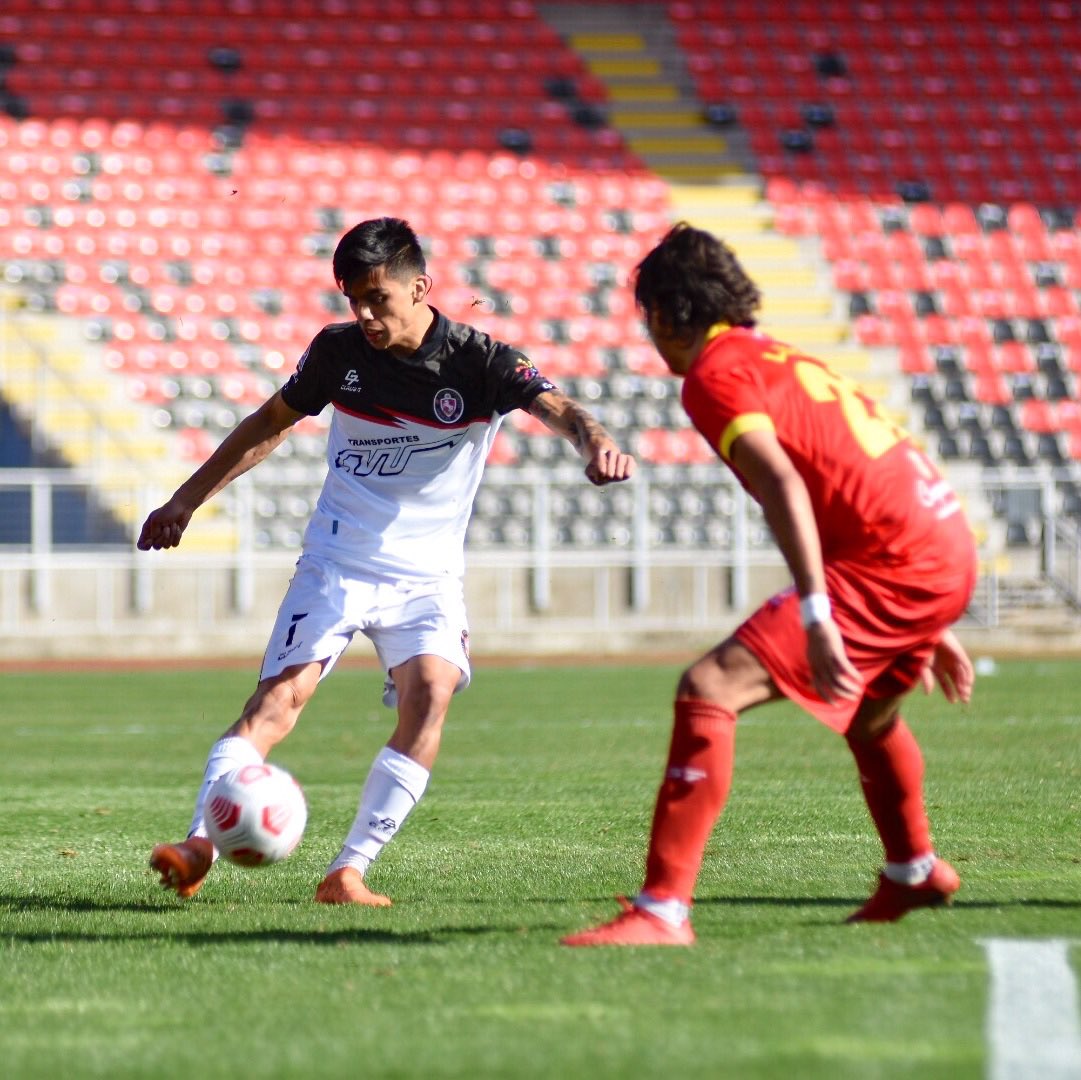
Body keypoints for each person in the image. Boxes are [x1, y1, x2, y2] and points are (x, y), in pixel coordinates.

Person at [140, 216, 635, 905]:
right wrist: (185, 500)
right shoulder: (337, 353)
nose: (366, 315)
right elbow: (268, 425)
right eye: (353, 300)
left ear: (421, 287)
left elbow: (559, 409)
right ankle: (199, 842)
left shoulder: (479, 360)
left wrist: (595, 443)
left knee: (428, 696)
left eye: (379, 298)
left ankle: (349, 869)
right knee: (279, 702)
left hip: (427, 579)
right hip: (337, 561)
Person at [562, 222, 977, 946]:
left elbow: (783, 480)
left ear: (663, 315)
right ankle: (914, 871)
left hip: (892, 558)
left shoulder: (714, 375)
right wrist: (931, 614)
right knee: (870, 718)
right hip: (937, 541)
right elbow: (849, 470)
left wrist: (819, 611)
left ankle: (660, 912)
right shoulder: (776, 357)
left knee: (709, 686)